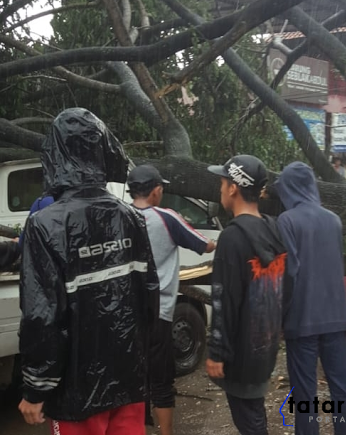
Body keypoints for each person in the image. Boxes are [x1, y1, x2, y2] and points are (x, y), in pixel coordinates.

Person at [18, 108, 160, 435]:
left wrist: (36, 388)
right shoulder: (132, 218)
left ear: (54, 155)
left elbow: (42, 316)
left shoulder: (45, 225)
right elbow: (149, 298)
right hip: (128, 381)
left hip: (76, 393)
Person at [127, 164, 216, 435]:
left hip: (125, 316)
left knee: (132, 379)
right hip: (160, 312)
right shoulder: (167, 217)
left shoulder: (119, 216)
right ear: (156, 191)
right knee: (162, 380)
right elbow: (205, 244)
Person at [274, 162, 346, 435]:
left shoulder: (287, 220)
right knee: (342, 391)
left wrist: (280, 319)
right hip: (336, 317)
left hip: (303, 319)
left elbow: (290, 273)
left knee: (305, 397)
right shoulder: (334, 220)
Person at [206, 155, 287, 435]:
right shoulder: (273, 228)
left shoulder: (232, 237)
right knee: (253, 412)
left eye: (222, 182)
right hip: (265, 345)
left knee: (248, 421)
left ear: (233, 188)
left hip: (241, 351)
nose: (220, 189)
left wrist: (217, 352)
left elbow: (223, 300)